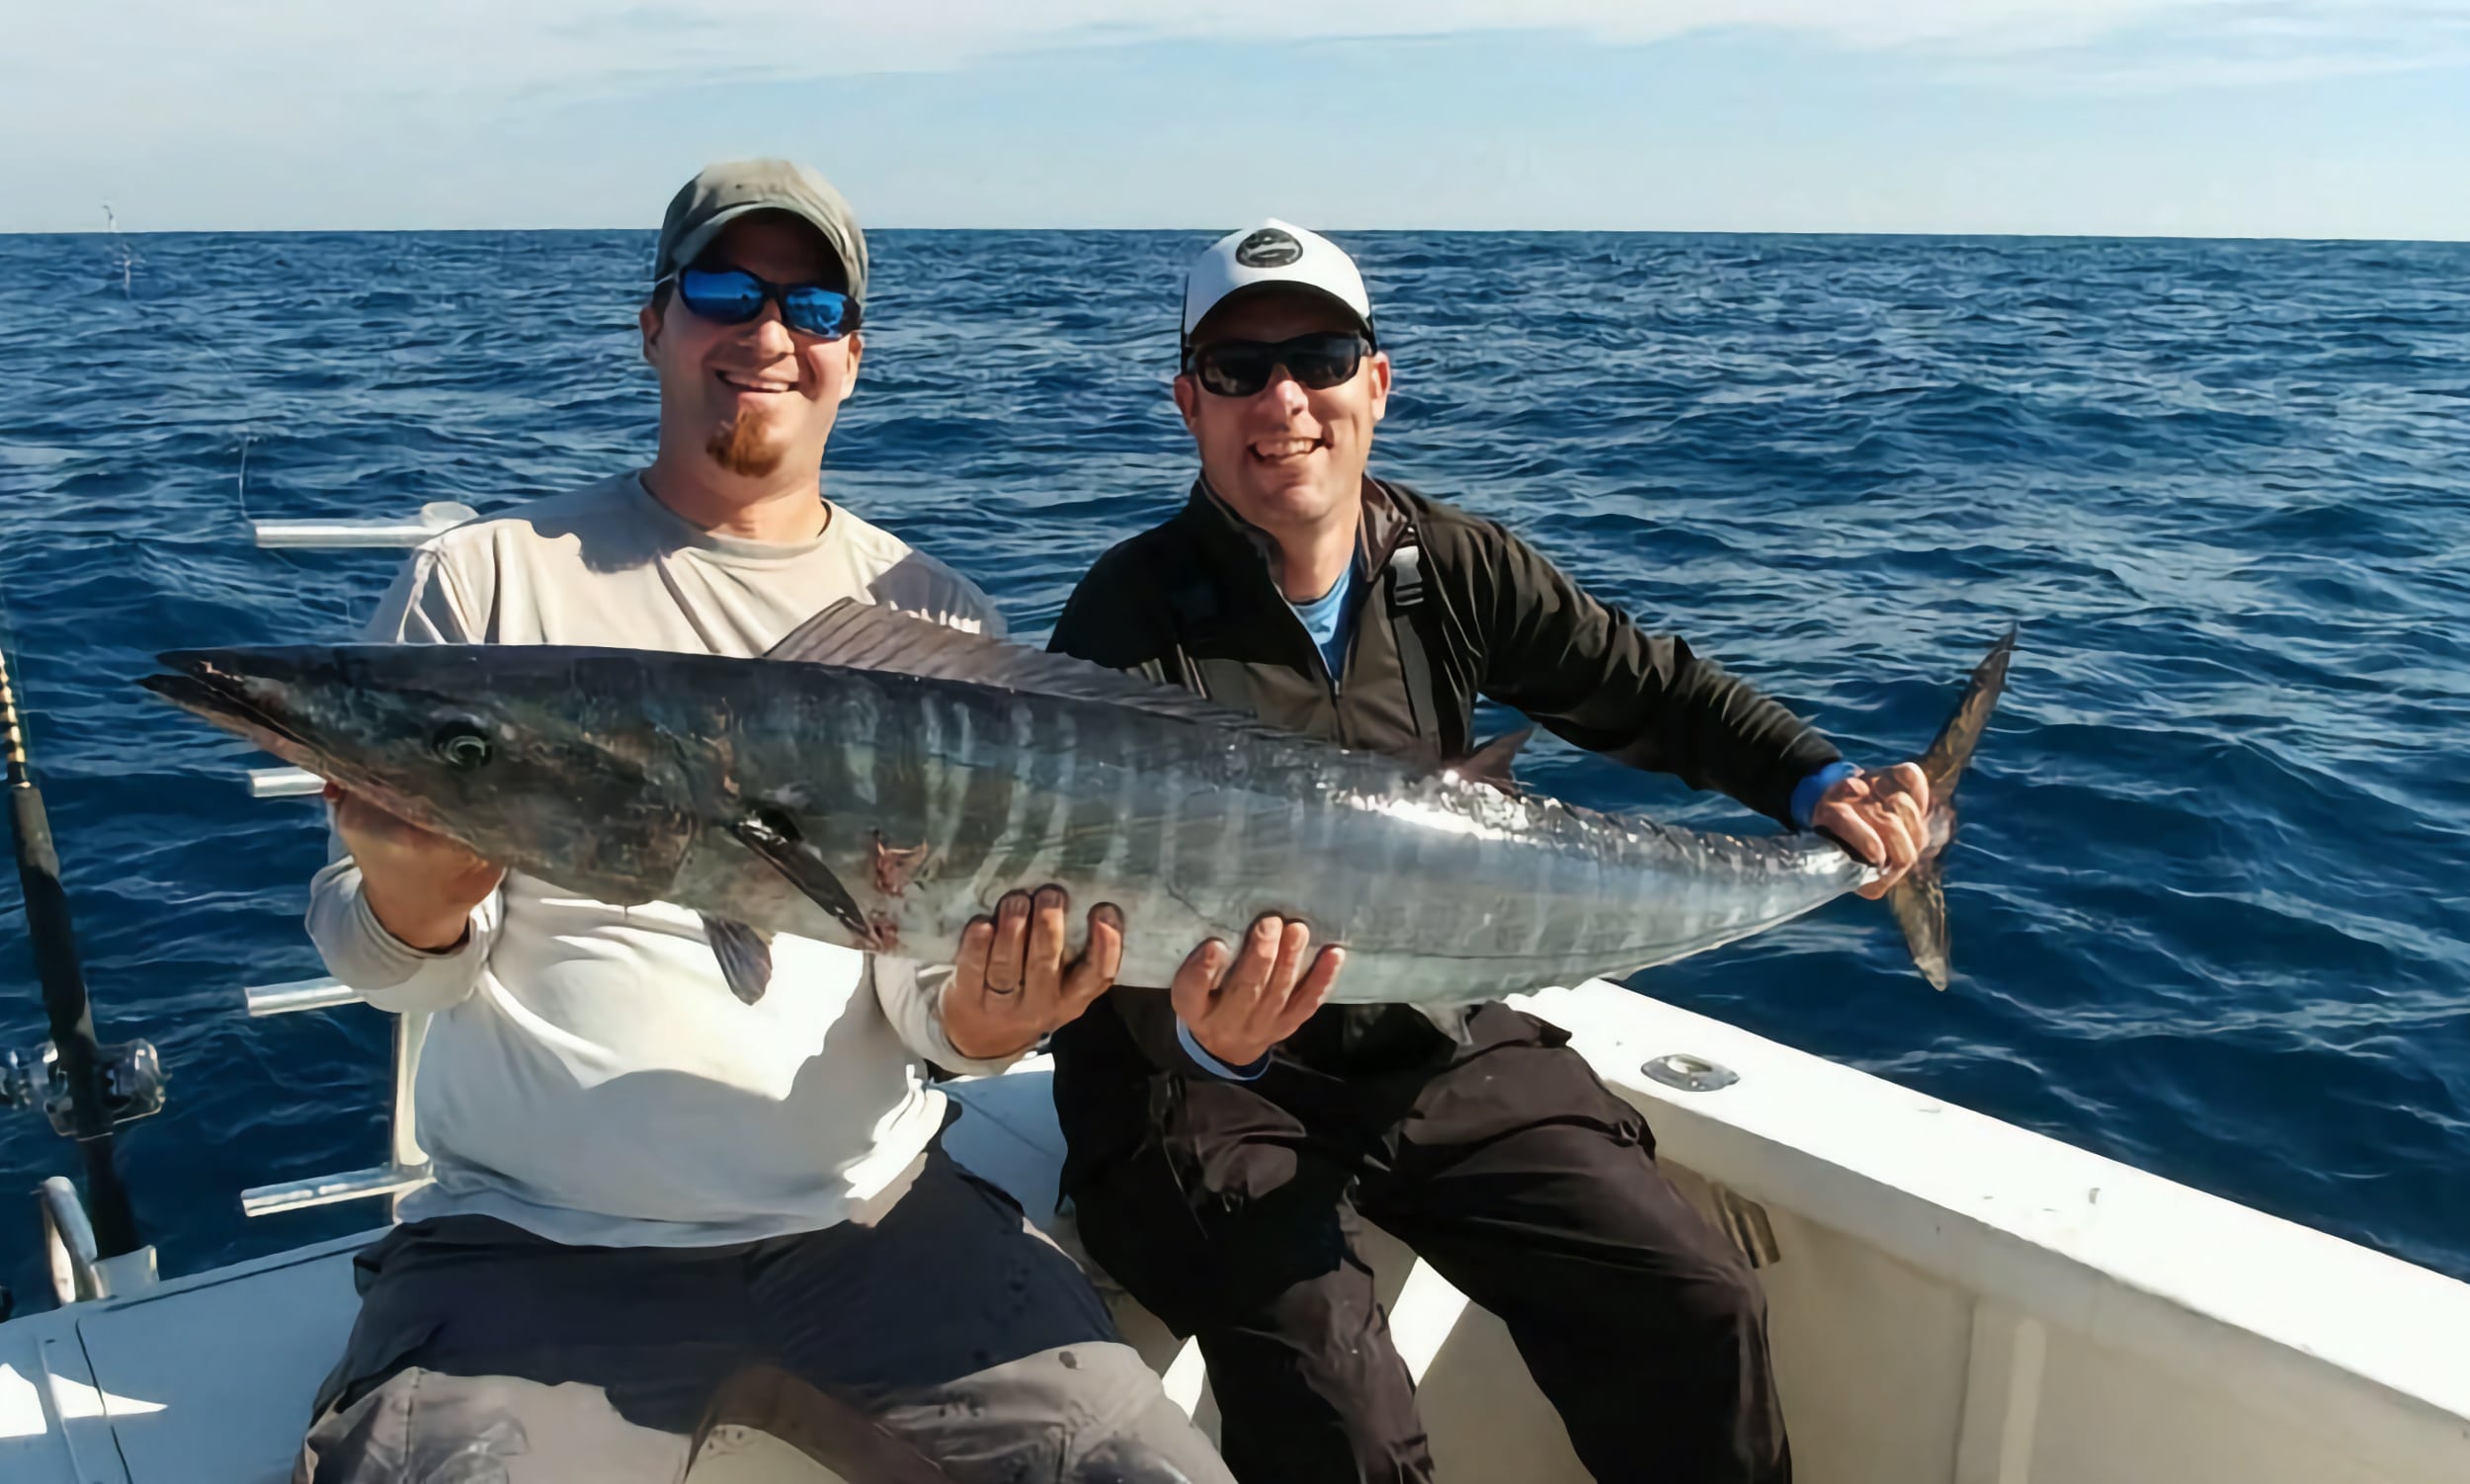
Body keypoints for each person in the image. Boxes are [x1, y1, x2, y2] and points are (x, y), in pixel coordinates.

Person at [293, 159, 1233, 1484]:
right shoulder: (487, 580)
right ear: (654, 323)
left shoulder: (938, 619)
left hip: (878, 1225)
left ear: (855, 351)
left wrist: (989, 1019)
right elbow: (371, 956)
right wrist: (413, 897)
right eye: (725, 288)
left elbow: (925, 1010)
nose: (769, 331)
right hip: (530, 1245)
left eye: (814, 302)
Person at [1042, 219, 1934, 1484]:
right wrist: (1193, 1036)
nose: (1283, 398)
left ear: (1377, 384)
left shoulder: (1442, 563)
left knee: (1691, 1298)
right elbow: (1080, 920)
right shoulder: (1124, 617)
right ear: (1189, 403)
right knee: (1335, 1402)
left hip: (1423, 1023)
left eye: (1321, 355)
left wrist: (1819, 784)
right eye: (1238, 370)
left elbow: (1648, 689)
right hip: (1195, 1078)